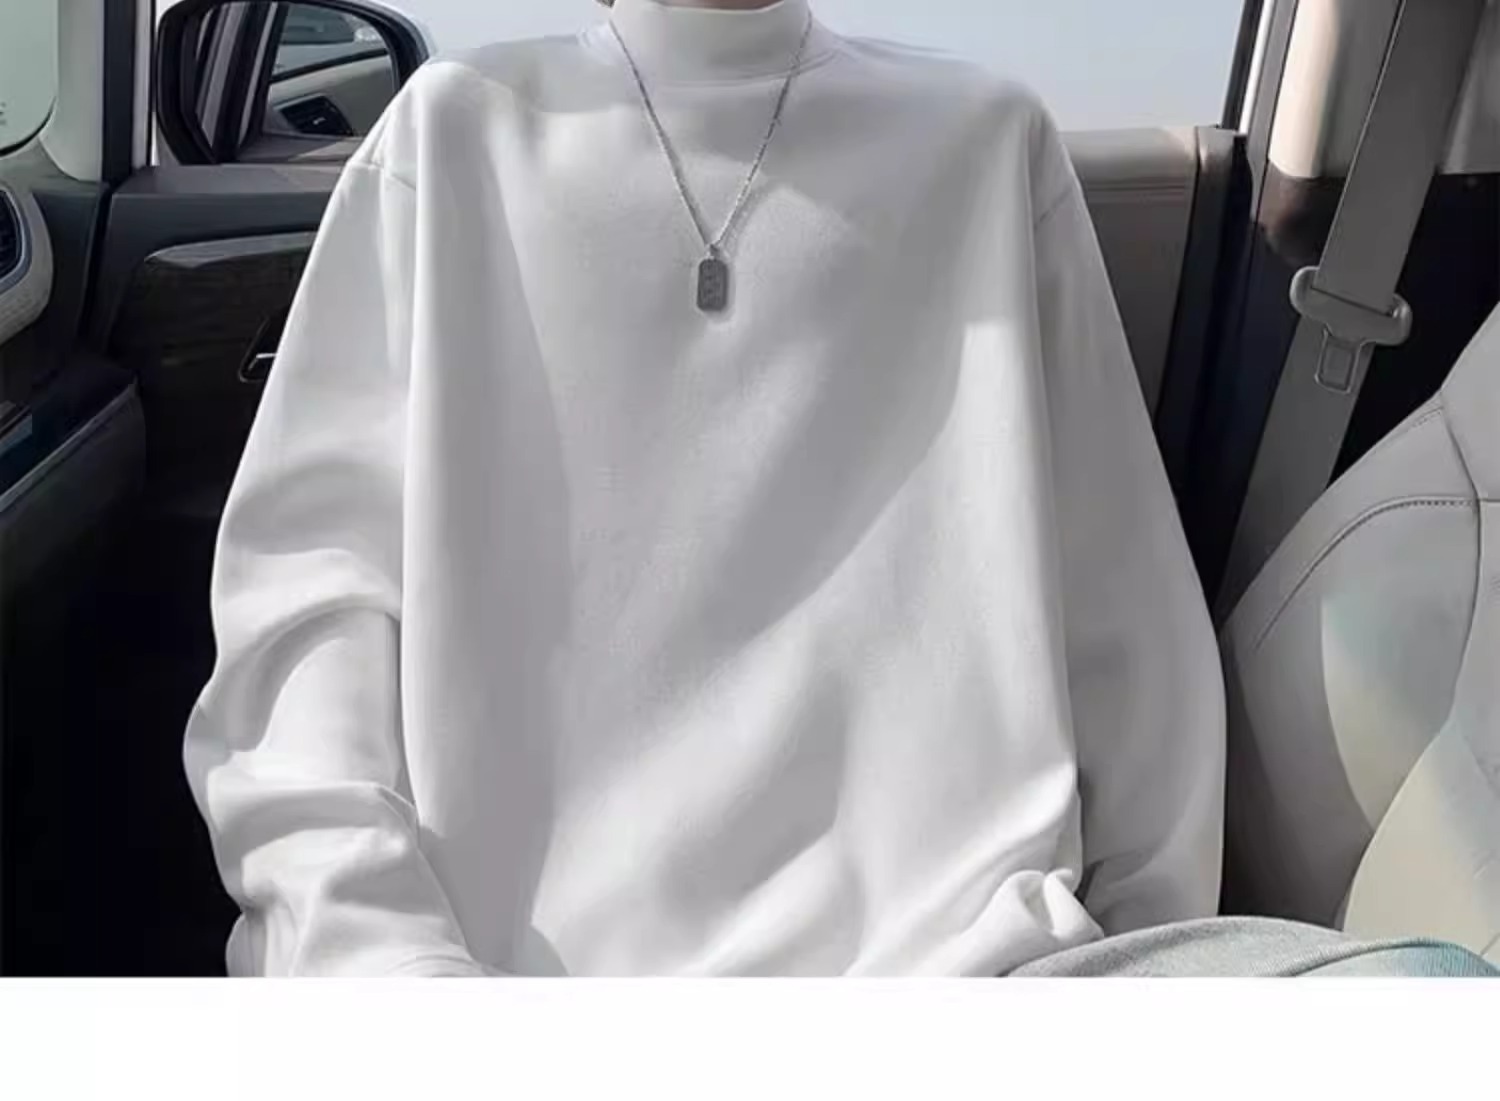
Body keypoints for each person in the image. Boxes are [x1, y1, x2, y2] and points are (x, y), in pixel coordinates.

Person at [181, 0, 1376, 978]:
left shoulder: (988, 143)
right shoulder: (447, 139)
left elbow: (1126, 637)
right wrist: (393, 972)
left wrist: (1140, 974)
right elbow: (308, 635)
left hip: (968, 986)